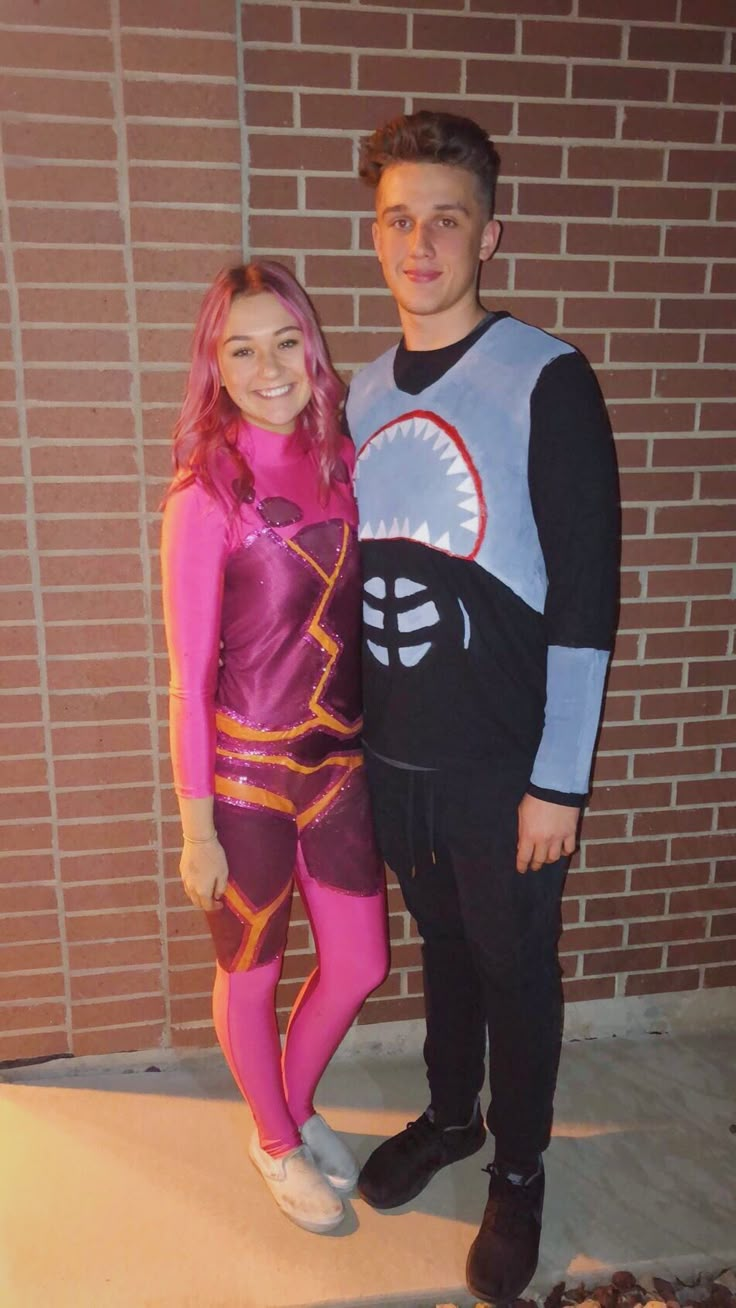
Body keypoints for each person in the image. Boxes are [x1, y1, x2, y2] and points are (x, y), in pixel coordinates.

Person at [346, 112, 620, 1302]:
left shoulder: (544, 376)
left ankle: (517, 1170)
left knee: (516, 967)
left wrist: (558, 776)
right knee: (444, 950)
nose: (422, 242)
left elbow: (587, 588)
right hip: (394, 757)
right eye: (401, 219)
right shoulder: (356, 391)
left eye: (446, 219)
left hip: (505, 764)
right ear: (377, 236)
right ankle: (451, 1116)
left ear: (487, 234)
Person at [160, 260, 388, 1234]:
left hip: (339, 768)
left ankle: (286, 1109)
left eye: (284, 341)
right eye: (240, 348)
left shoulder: (343, 463)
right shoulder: (202, 494)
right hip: (244, 780)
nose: (267, 366)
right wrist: (195, 828)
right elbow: (188, 676)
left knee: (361, 964)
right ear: (216, 365)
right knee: (249, 973)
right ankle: (276, 1139)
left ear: (312, 348)